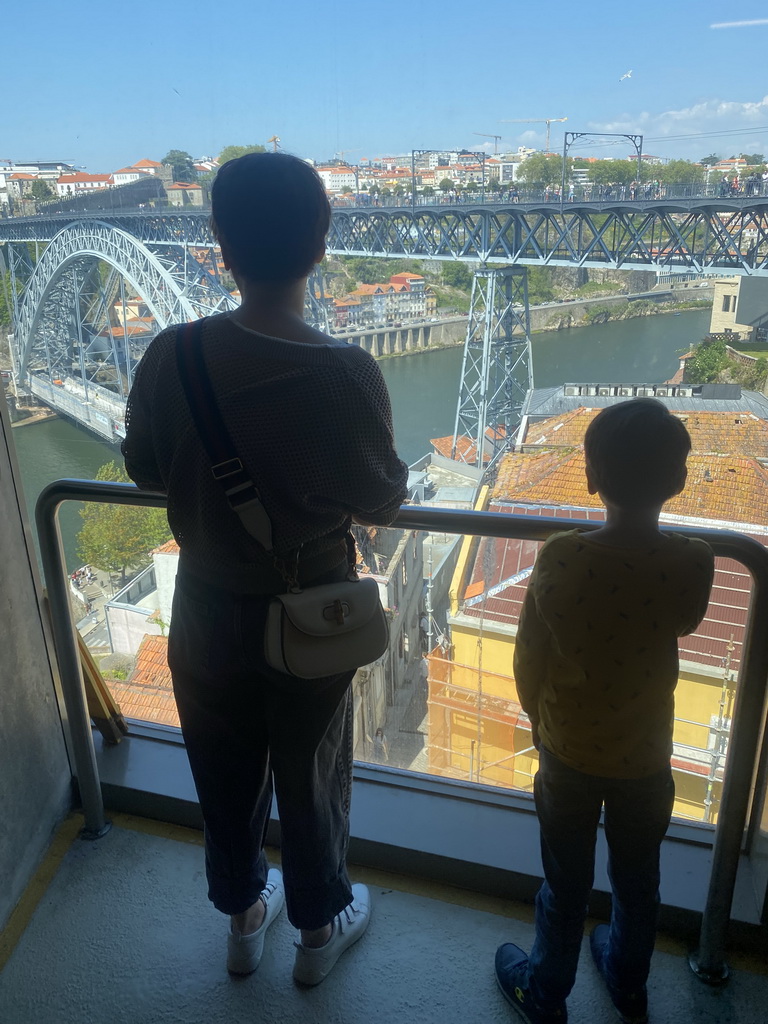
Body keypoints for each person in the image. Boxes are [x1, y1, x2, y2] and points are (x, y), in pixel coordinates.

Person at [122, 152, 409, 985]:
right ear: (320, 245)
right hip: (308, 609)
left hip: (206, 602)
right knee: (313, 773)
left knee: (221, 767)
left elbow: (145, 465)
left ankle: (244, 917)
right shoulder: (342, 373)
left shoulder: (171, 356)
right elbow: (382, 497)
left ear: (221, 245)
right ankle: (318, 935)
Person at [494, 399, 714, 1024]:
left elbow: (529, 657)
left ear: (590, 476)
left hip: (566, 751)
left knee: (564, 885)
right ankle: (626, 978)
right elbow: (688, 621)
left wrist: (541, 719)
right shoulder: (691, 561)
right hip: (646, 757)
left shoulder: (562, 556)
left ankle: (545, 994)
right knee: (638, 882)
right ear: (676, 480)